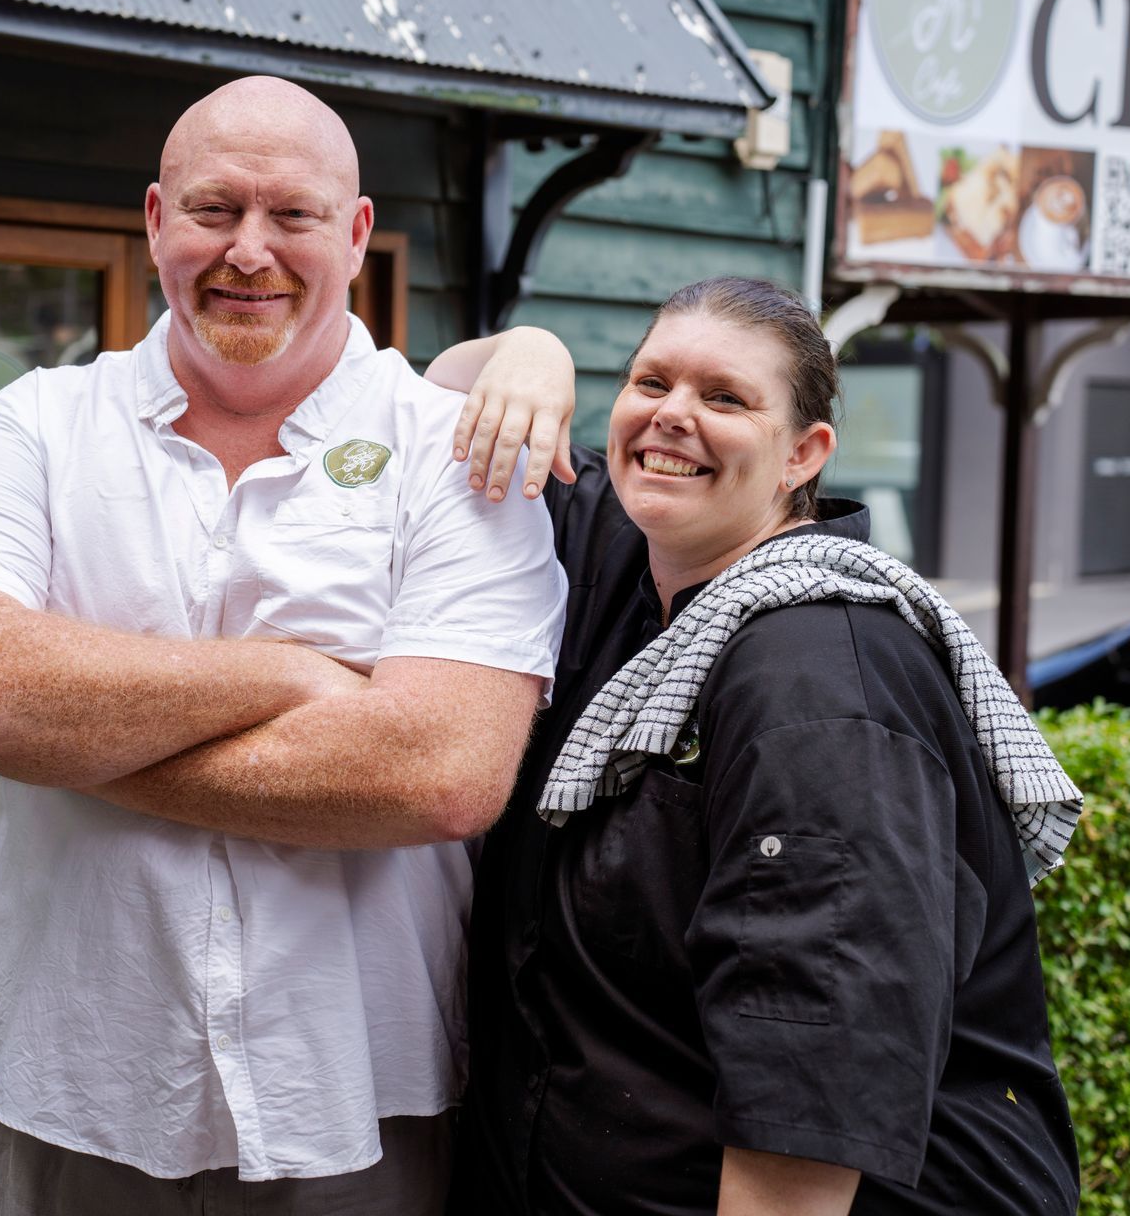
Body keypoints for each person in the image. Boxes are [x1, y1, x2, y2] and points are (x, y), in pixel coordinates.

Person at [0, 75, 567, 1215]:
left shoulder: (459, 451)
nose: (250, 250)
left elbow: (442, 771)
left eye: (292, 215)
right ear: (156, 220)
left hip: (361, 1105)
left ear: (354, 235)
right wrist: (298, 678)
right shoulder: (34, 428)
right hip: (82, 1096)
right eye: (214, 210)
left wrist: (75, 735)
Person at [432, 276, 1084, 1214]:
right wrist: (529, 351)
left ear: (802, 455)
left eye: (726, 398)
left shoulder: (820, 681)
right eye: (651, 383)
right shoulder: (632, 561)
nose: (672, 419)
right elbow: (446, 399)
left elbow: (812, 1080)